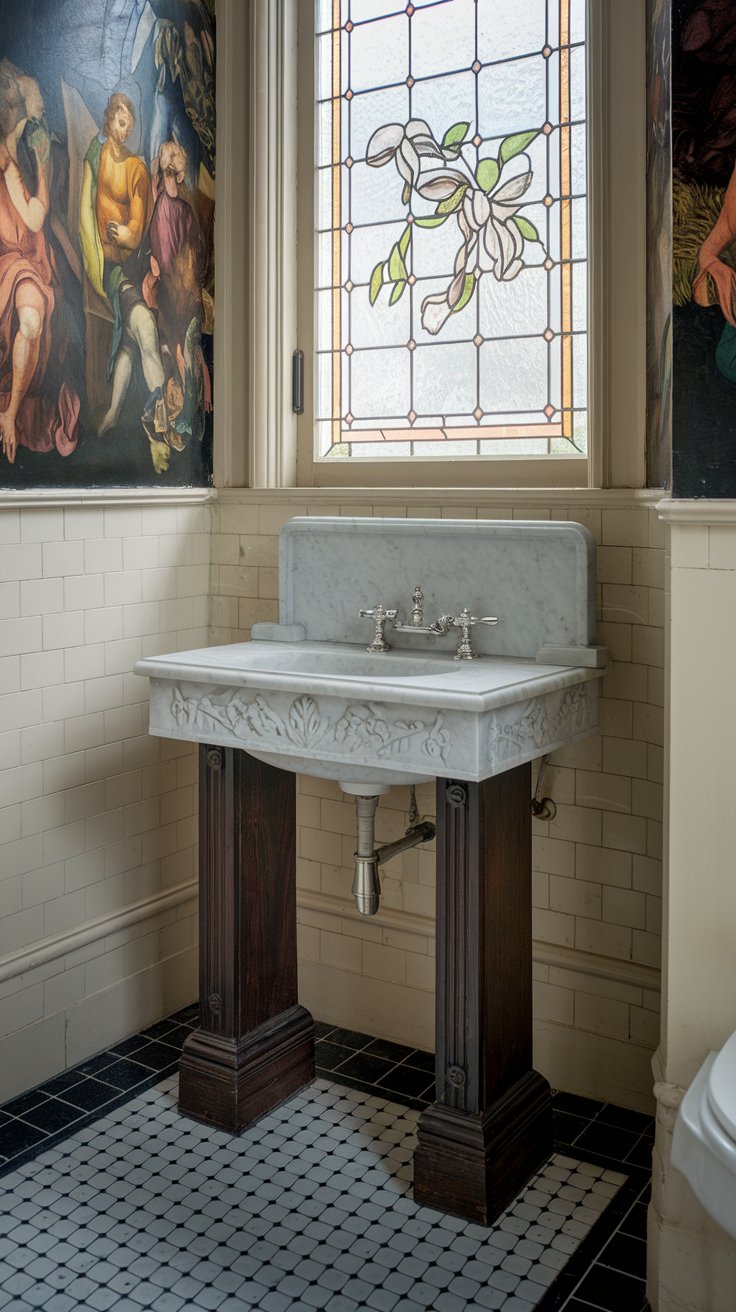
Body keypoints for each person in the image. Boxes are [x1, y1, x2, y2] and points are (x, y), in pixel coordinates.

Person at [0, 68, 78, 464]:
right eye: (29, 113)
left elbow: (40, 222)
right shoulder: (5, 155)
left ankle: (12, 413)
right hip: (10, 258)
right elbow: (33, 217)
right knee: (27, 313)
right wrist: (39, 168)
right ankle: (10, 411)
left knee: (38, 317)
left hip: (31, 259)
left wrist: (43, 162)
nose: (35, 123)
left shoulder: (28, 150)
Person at [80, 91, 165, 434]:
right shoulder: (95, 157)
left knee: (138, 334)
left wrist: (126, 234)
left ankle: (142, 411)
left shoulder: (136, 167)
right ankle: (156, 410)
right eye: (120, 119)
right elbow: (86, 210)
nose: (125, 127)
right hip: (112, 270)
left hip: (135, 266)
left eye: (129, 122)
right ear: (109, 118)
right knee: (141, 328)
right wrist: (93, 260)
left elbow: (137, 226)